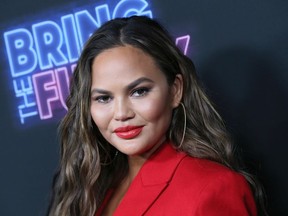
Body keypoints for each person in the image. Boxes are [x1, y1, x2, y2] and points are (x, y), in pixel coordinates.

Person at [47, 16, 268, 215]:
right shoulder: (91, 190)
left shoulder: (213, 188)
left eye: (139, 91)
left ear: (175, 90)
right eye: (104, 98)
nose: (122, 113)